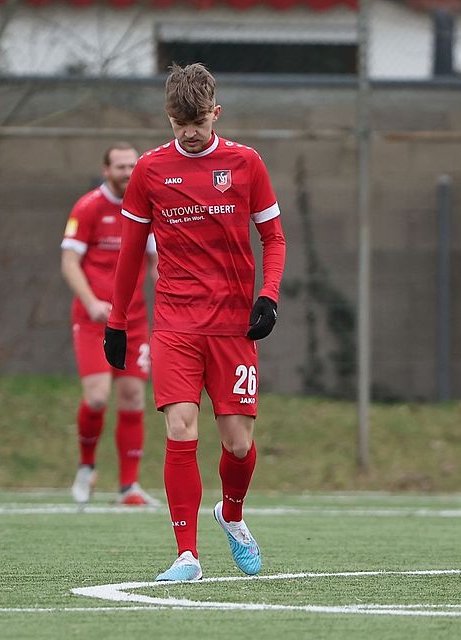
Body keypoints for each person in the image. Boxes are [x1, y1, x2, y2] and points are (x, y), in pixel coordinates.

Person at [104, 63, 286, 581]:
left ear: (216, 114)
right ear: (168, 116)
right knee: (180, 430)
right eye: (180, 123)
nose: (190, 133)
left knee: (238, 444)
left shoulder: (246, 163)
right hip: (176, 324)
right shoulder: (149, 171)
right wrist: (118, 322)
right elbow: (131, 253)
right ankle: (187, 555)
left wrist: (268, 297)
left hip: (232, 326)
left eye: (199, 123)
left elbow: (274, 239)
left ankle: (231, 514)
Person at [61, 143, 159, 506]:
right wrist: (90, 302)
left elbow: (155, 264)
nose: (128, 172)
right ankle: (86, 467)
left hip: (134, 321)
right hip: (93, 320)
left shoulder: (146, 208)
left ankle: (128, 487)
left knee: (133, 397)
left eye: (133, 165)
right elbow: (69, 262)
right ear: (106, 170)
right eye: (120, 166)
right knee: (98, 396)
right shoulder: (88, 207)